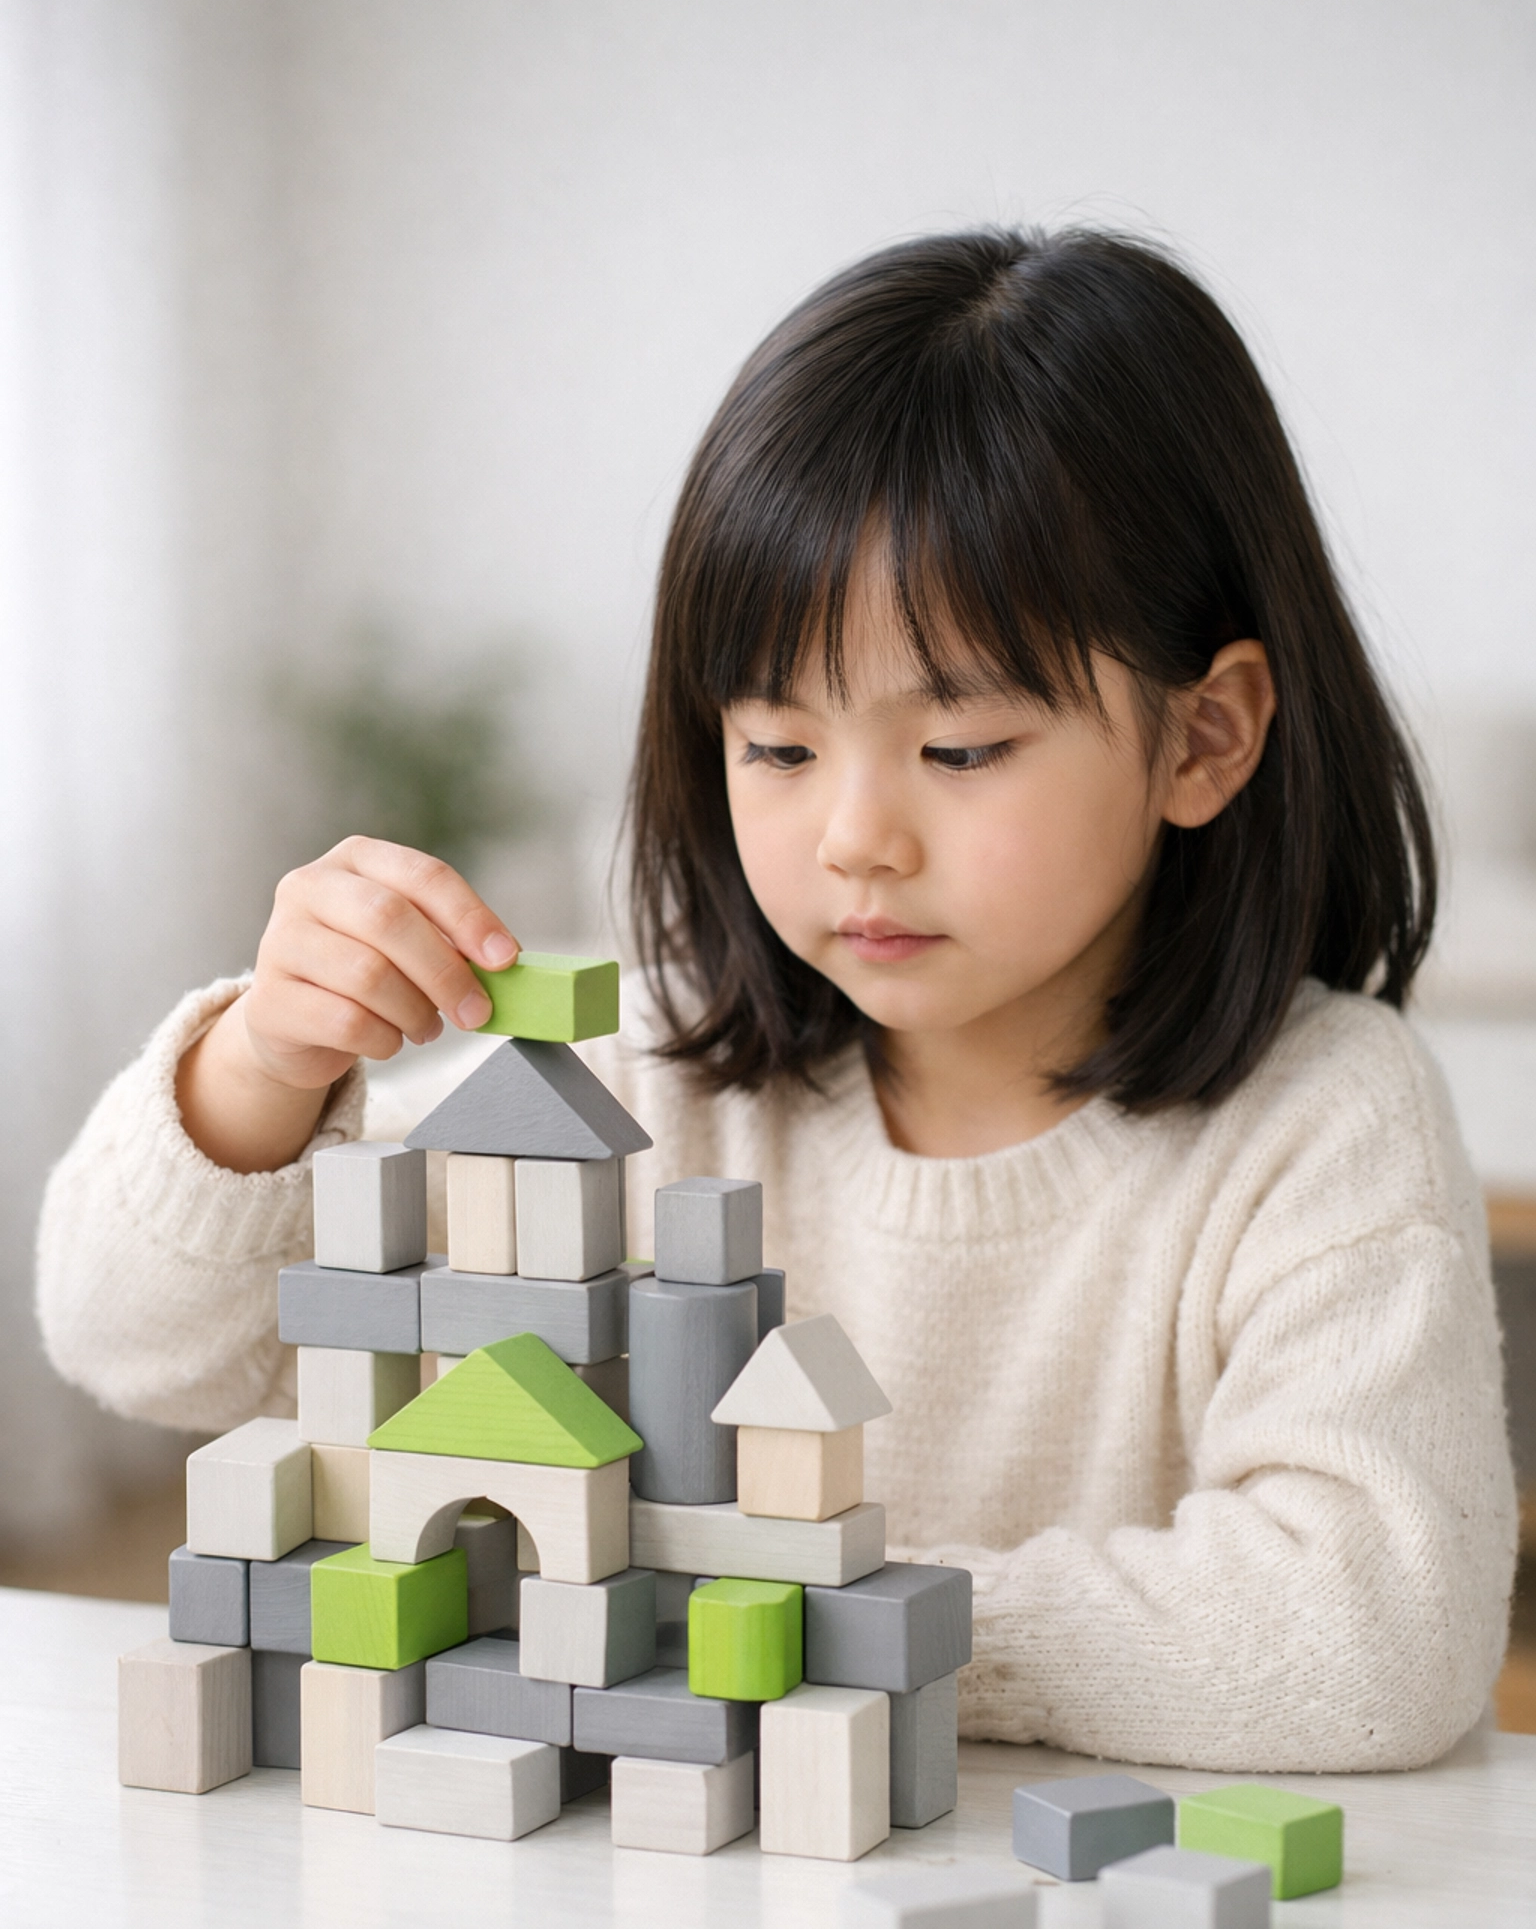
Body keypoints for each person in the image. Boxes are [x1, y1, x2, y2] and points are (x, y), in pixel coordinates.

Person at [37, 227, 1517, 1773]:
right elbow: (133, 1342)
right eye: (778, 747)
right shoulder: (646, 1079)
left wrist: (804, 1616)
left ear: (1205, 739)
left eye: (959, 751)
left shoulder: (1327, 1117)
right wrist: (263, 1065)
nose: (853, 838)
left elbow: (1372, 1635)